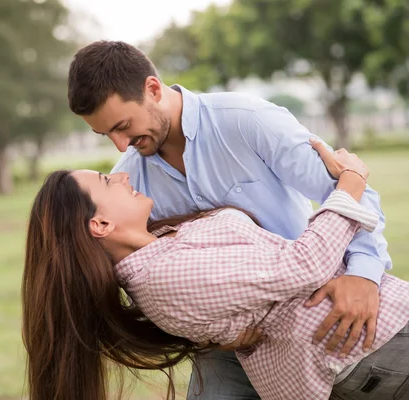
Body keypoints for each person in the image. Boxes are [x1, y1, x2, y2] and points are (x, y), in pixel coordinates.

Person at [66, 40, 392, 399]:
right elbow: (132, 273)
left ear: (153, 89)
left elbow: (348, 186)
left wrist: (363, 272)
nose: (119, 145)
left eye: (123, 126)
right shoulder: (129, 184)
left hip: (312, 311)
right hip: (230, 346)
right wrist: (194, 330)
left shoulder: (245, 120)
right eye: (105, 134)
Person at [21, 143, 409, 400]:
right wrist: (350, 184)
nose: (123, 175)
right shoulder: (164, 276)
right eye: (108, 181)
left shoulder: (165, 243)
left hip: (372, 334)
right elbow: (303, 266)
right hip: (373, 342)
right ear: (100, 226)